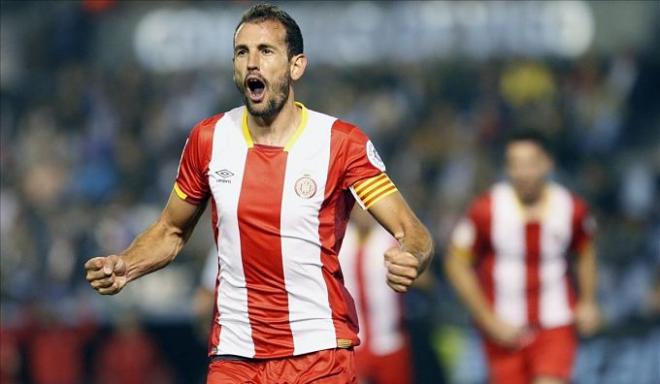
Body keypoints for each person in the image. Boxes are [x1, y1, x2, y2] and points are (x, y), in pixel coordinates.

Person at [84, 3, 433, 383]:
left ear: (296, 65)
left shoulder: (340, 143)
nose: (252, 62)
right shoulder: (208, 139)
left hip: (317, 355)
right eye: (242, 52)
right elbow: (171, 231)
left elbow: (412, 231)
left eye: (265, 51)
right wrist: (126, 264)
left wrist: (412, 257)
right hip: (235, 355)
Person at [445, 131, 601, 384]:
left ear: (547, 163)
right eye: (515, 165)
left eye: (530, 164)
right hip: (503, 329)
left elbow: (585, 251)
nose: (523, 173)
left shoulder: (572, 208)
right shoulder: (486, 209)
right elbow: (456, 262)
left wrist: (588, 300)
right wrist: (487, 319)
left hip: (555, 324)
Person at [338, 207, 415, 384]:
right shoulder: (339, 239)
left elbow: (419, 272)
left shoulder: (392, 240)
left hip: (390, 340)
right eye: (358, 209)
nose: (363, 214)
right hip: (353, 341)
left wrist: (411, 267)